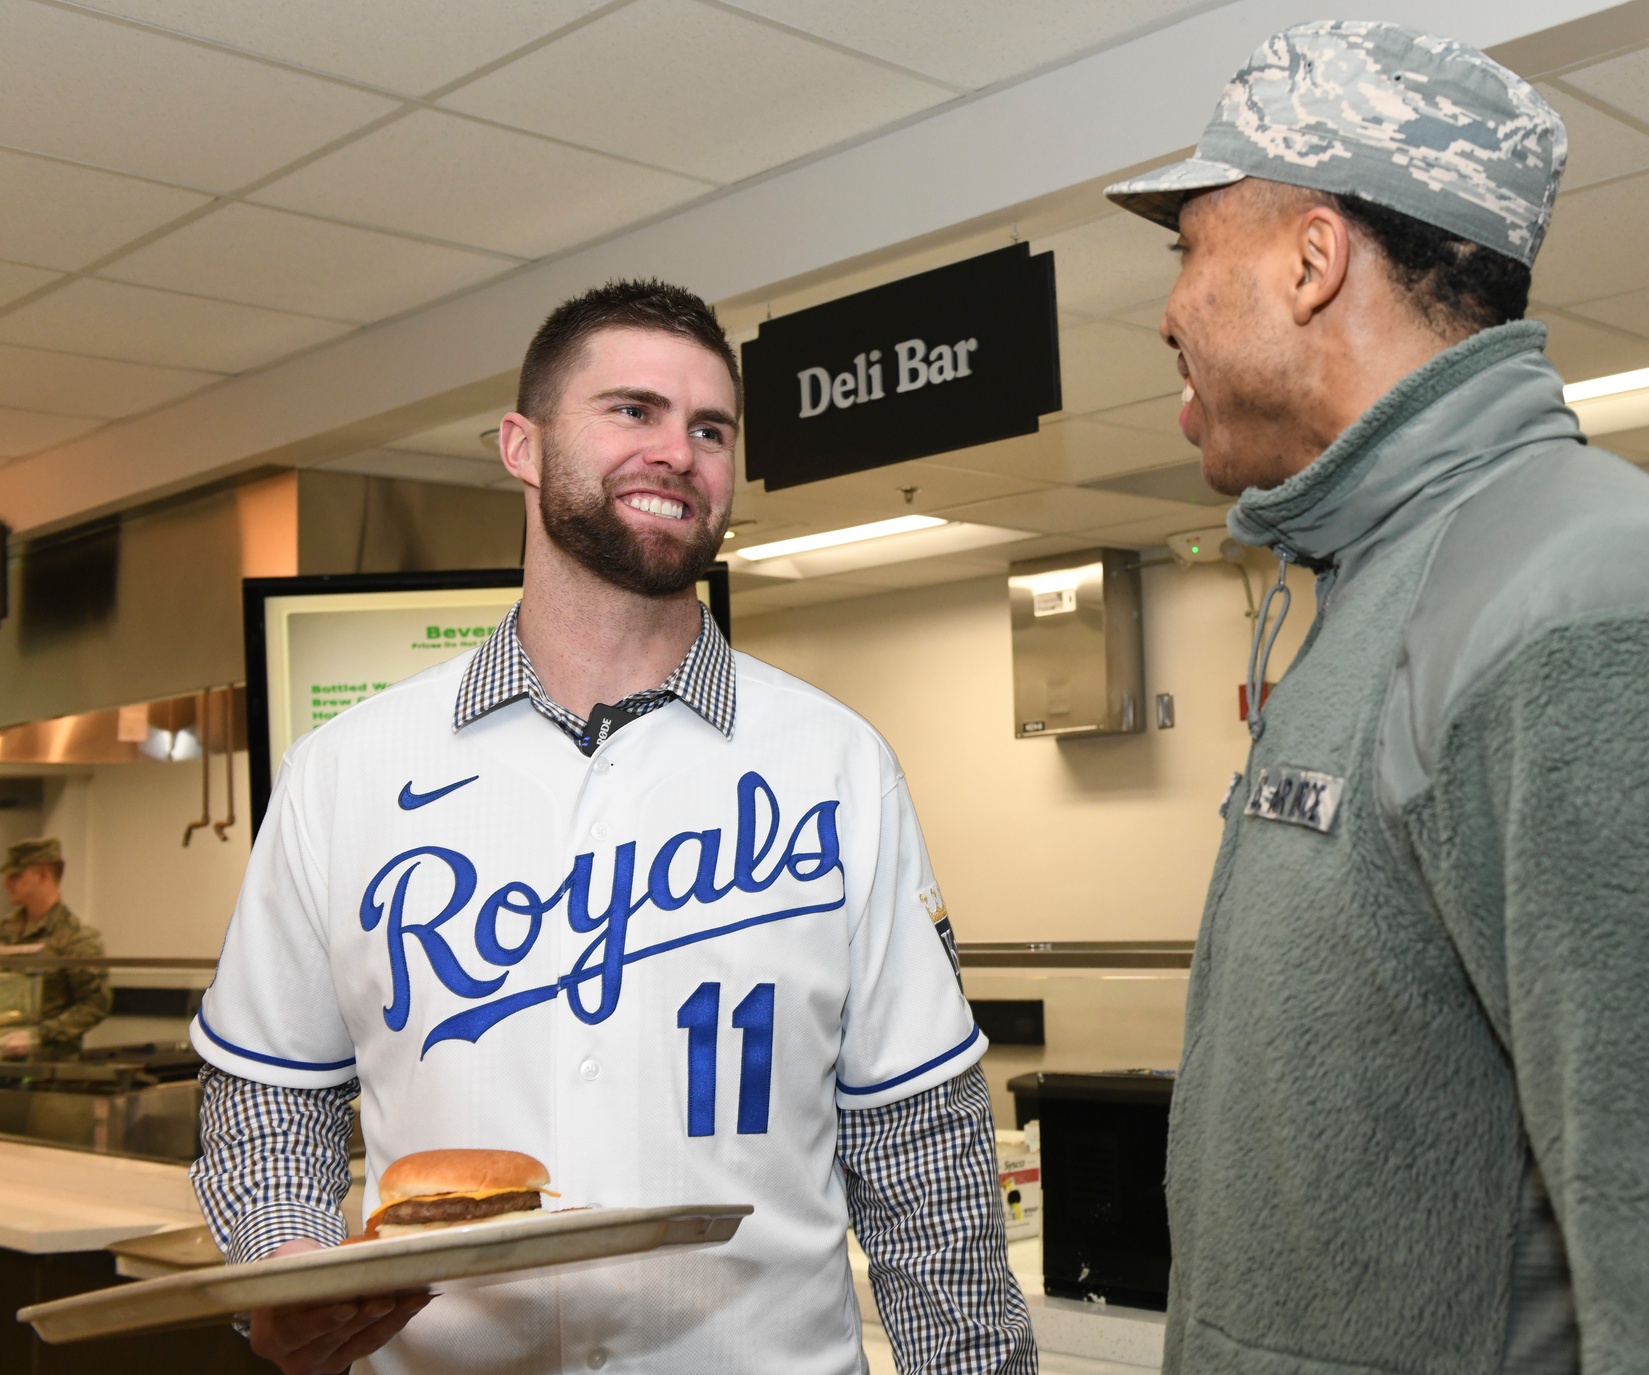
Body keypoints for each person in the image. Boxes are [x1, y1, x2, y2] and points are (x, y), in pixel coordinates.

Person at [1104, 21, 1649, 1375]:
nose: (1168, 307)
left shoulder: (1595, 608)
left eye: (1190, 246)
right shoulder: (1388, 589)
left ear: (1310, 259)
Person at [188, 280, 1036, 1375]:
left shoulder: (834, 765)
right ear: (521, 446)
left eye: (710, 428)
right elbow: (268, 1097)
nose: (678, 451)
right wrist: (286, 1258)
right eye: (632, 411)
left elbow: (924, 1165)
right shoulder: (344, 774)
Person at [0, 837, 110, 1057]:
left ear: (42, 875)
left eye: (16, 876)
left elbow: (95, 1004)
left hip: (50, 1070)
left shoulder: (75, 938)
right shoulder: (4, 931)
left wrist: (38, 1035)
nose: (7, 884)